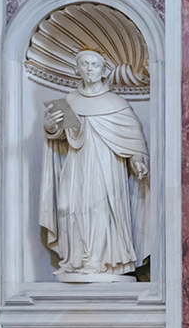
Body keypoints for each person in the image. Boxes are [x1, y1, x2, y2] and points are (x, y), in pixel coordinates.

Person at [39, 49, 150, 281]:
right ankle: (74, 260)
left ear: (103, 71)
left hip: (105, 165)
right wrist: (51, 125)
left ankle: (97, 261)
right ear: (77, 69)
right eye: (85, 64)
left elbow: (133, 137)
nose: (90, 68)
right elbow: (59, 135)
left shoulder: (116, 103)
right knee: (67, 206)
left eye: (95, 64)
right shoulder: (70, 101)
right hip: (76, 162)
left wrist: (138, 160)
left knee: (99, 209)